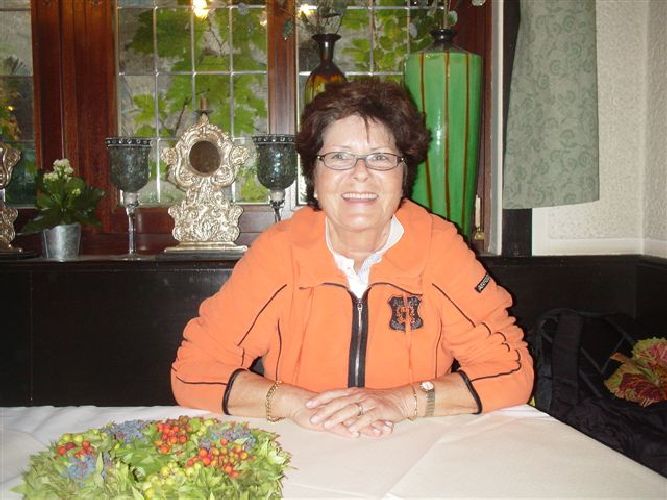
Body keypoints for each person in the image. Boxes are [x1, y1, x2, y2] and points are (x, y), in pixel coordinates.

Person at [171, 78, 533, 438]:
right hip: (303, 448)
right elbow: (194, 369)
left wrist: (403, 401)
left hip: (412, 446)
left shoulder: (439, 250)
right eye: (339, 157)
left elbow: (512, 369)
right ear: (314, 175)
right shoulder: (279, 253)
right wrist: (296, 404)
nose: (360, 174)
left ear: (403, 174)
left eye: (380, 157)